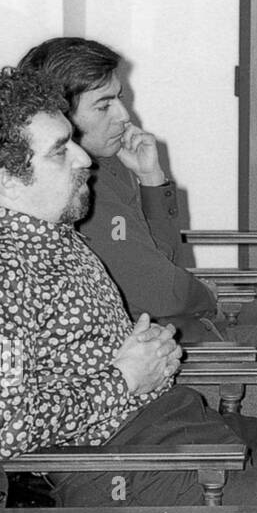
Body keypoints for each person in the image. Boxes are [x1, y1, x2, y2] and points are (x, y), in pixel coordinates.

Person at [0, 68, 257, 507]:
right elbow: (5, 430)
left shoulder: (50, 228)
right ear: (8, 180)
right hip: (129, 463)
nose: (84, 159)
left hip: (179, 422)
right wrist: (125, 377)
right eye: (61, 151)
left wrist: (149, 351)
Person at [15, 38, 219, 341]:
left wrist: (151, 178)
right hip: (153, 350)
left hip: (174, 330)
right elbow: (162, 294)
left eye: (119, 98)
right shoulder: (79, 189)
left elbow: (161, 259)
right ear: (58, 117)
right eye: (104, 105)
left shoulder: (107, 165)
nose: (124, 116)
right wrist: (208, 296)